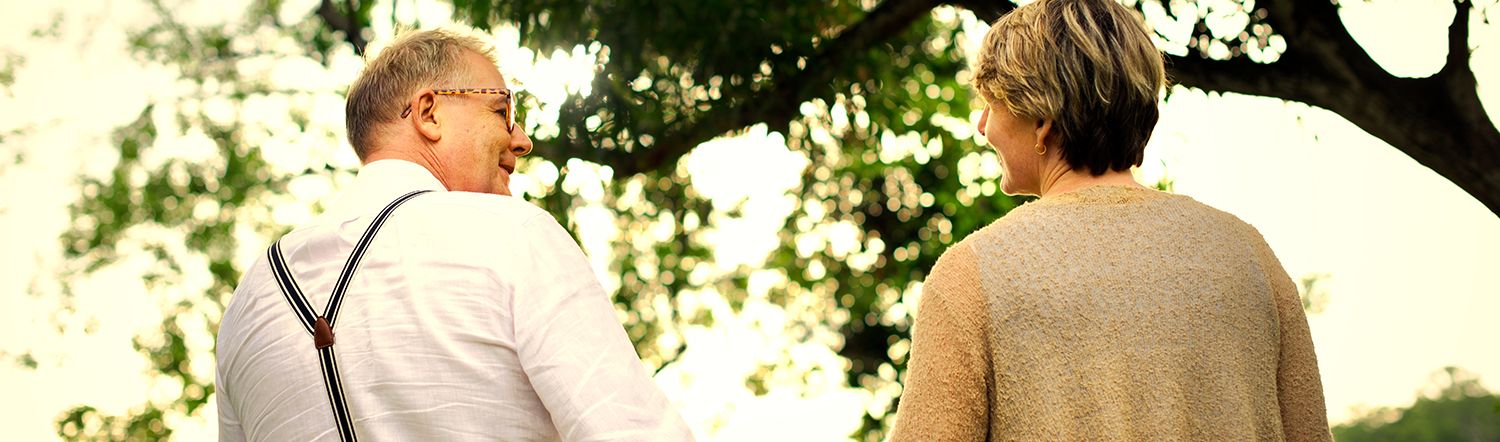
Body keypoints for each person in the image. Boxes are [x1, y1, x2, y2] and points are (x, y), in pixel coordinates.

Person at [215, 28, 692, 441]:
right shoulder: (512, 235)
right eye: (501, 110)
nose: (522, 140)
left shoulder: (247, 305)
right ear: (428, 113)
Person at [889, 0, 1329, 440]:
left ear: (1042, 120)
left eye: (991, 103)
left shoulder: (972, 277)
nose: (983, 126)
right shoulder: (1246, 253)